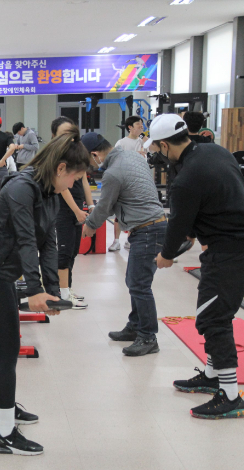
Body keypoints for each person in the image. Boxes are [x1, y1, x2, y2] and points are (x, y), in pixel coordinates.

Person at [0, 129, 90, 456]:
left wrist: (51, 290)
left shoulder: (48, 190)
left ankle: (2, 408)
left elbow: (48, 241)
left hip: (1, 276)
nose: (76, 184)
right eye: (76, 177)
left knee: (6, 347)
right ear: (61, 168)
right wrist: (32, 290)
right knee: (7, 352)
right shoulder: (22, 187)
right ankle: (4, 435)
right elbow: (24, 239)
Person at [151, 114, 244, 419]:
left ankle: (229, 396)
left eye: (158, 149)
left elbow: (177, 226)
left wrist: (167, 254)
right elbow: (219, 195)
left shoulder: (187, 179)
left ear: (164, 144)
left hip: (232, 249)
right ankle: (213, 376)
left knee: (214, 318)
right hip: (233, 243)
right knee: (209, 309)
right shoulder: (216, 151)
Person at [81, 131, 167, 357]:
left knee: (139, 284)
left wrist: (90, 225)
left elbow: (105, 206)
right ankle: (135, 326)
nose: (90, 165)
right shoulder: (134, 157)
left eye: (88, 160)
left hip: (147, 229)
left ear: (95, 154)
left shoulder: (113, 173)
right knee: (134, 281)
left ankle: (148, 337)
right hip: (152, 226)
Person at [51, 116, 92, 309]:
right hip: (63, 208)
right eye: (63, 134)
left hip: (77, 208)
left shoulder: (77, 154)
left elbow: (84, 180)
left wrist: (90, 206)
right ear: (54, 136)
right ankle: (63, 295)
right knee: (65, 251)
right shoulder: (56, 156)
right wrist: (76, 211)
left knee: (74, 250)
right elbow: (63, 187)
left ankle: (67, 288)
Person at [109, 115, 148, 251]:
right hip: (124, 181)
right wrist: (135, 154)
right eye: (138, 124)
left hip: (139, 181)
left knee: (135, 212)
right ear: (130, 127)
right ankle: (116, 241)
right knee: (120, 212)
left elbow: (150, 153)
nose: (141, 126)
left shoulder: (144, 142)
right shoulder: (121, 143)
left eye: (142, 124)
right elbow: (116, 159)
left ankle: (130, 240)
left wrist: (145, 142)